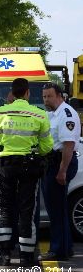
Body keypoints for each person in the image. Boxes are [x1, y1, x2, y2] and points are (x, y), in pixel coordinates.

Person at [0, 78, 53, 267]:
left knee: (5, 210)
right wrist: (34, 151)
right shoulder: (39, 115)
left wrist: (2, 150)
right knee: (27, 211)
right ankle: (26, 257)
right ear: (27, 93)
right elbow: (47, 146)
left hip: (6, 166)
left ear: (12, 92)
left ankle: (4, 255)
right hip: (29, 167)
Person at [38, 83, 80, 261]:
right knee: (57, 208)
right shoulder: (52, 114)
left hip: (60, 163)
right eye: (44, 96)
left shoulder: (66, 114)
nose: (46, 99)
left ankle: (58, 250)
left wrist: (62, 171)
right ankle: (65, 247)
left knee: (56, 210)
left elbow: (68, 145)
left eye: (49, 96)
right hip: (53, 163)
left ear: (59, 96)